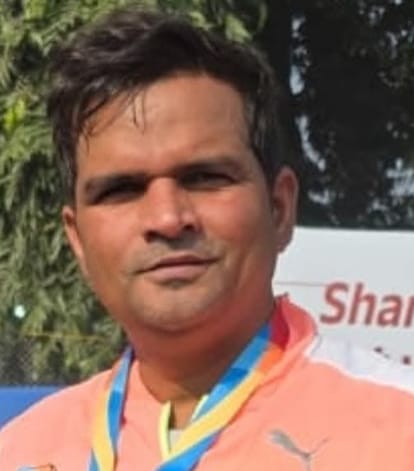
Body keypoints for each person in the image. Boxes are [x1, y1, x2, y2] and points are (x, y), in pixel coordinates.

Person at [1, 6, 414, 471]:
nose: (167, 218)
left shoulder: (400, 428)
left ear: (279, 208)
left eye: (204, 177)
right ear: (77, 238)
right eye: (122, 190)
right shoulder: (20, 451)